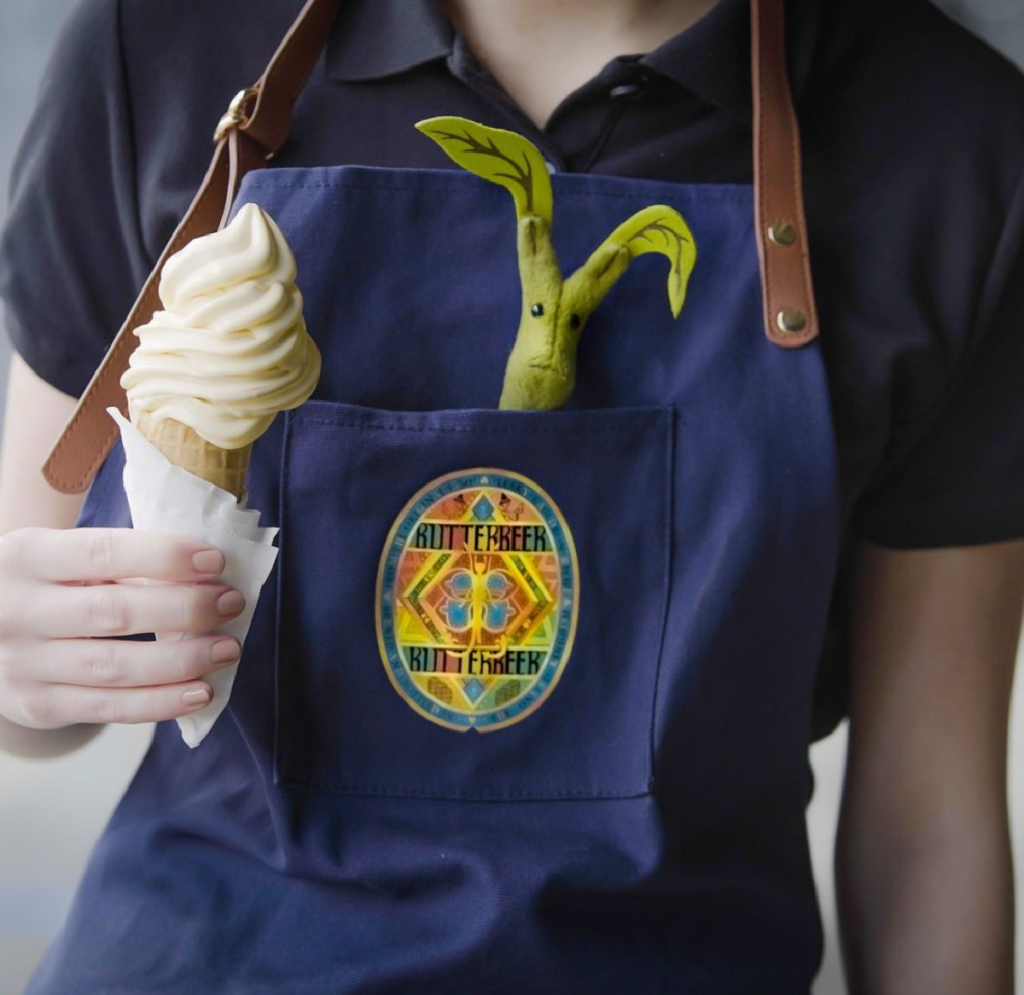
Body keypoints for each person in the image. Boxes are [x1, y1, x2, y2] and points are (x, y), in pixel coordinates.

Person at [1, 0, 1023, 992]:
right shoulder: (163, 43)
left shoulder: (952, 139)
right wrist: (30, 667)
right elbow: (31, 695)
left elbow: (925, 818)